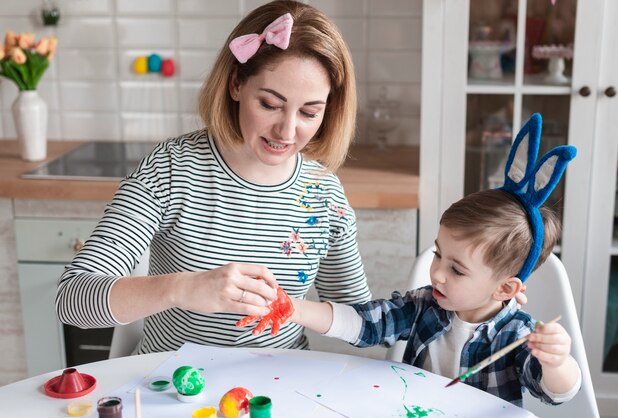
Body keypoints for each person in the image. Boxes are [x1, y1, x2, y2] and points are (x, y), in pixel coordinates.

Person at [55, 0, 372, 353]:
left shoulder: (323, 194)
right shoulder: (170, 171)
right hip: (171, 384)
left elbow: (361, 320)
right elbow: (73, 298)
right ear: (236, 84)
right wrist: (181, 288)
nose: (287, 131)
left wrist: (294, 310)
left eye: (309, 112)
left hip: (279, 386)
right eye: (269, 104)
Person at [285, 115, 582, 407]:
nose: (438, 273)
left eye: (457, 270)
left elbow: (557, 393)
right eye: (439, 253)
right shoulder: (423, 306)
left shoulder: (516, 334)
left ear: (504, 290)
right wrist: (292, 308)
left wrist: (556, 362)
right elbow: (363, 323)